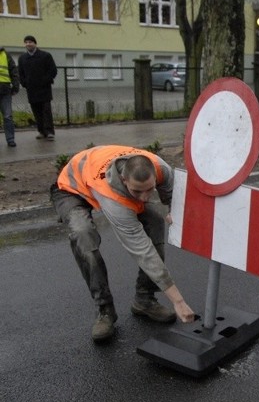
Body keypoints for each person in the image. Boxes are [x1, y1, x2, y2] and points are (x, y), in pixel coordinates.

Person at [50, 145, 196, 342]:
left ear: (155, 175)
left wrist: (172, 210)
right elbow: (142, 251)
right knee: (83, 235)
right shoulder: (112, 196)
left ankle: (144, 300)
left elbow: (173, 195)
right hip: (72, 188)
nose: (145, 198)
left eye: (150, 190)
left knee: (155, 223)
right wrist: (178, 300)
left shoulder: (161, 168)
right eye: (137, 191)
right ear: (124, 180)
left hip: (98, 173)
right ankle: (105, 310)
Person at [18, 35, 57, 141]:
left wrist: (46, 80)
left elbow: (53, 70)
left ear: (35, 43)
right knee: (36, 111)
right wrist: (25, 83)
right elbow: (20, 73)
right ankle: (41, 131)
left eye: (30, 42)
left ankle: (49, 132)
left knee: (46, 111)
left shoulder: (45, 56)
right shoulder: (22, 58)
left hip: (44, 89)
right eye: (26, 42)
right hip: (31, 89)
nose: (28, 44)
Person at [0, 46, 20, 147]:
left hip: (4, 89)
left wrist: (16, 86)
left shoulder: (5, 54)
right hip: (5, 89)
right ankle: (10, 139)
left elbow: (13, 70)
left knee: (7, 116)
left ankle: (10, 139)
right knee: (7, 116)